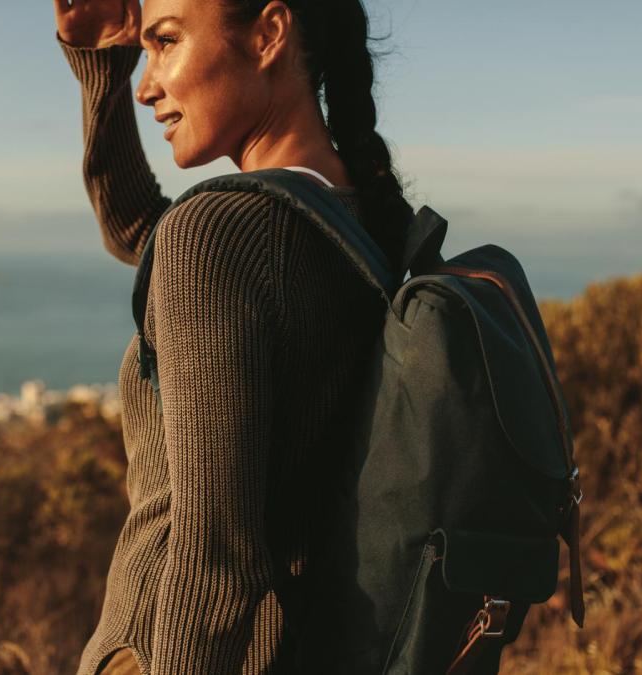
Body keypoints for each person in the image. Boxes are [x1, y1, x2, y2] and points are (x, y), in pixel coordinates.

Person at [53, 1, 412, 673]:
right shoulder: (355, 215)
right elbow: (143, 235)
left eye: (164, 43)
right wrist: (104, 64)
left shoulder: (220, 235)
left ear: (269, 34)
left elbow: (218, 560)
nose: (146, 84)